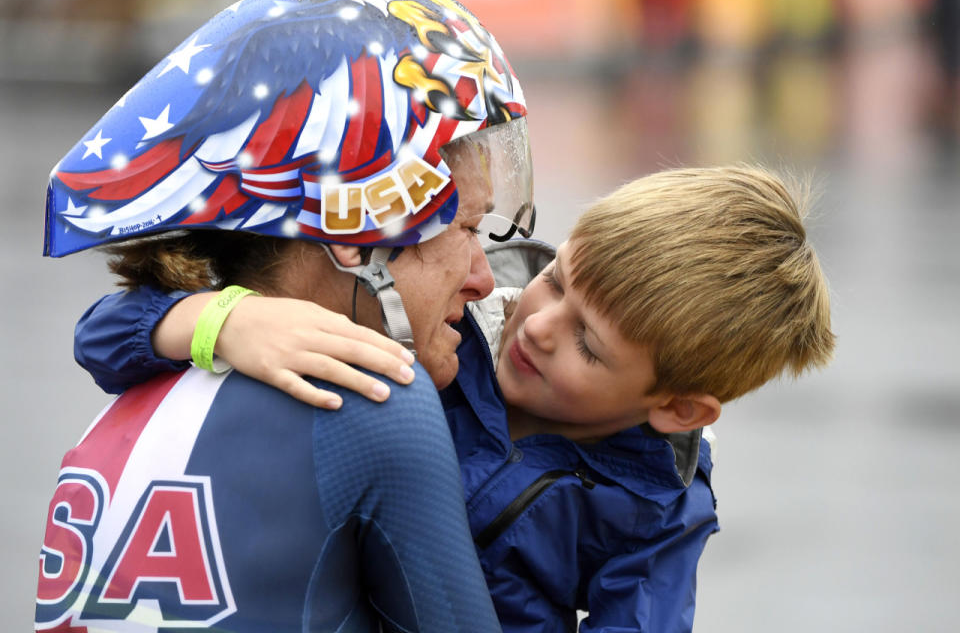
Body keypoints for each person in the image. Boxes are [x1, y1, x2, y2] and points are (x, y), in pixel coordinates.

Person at [70, 165, 836, 631]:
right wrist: (222, 319)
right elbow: (104, 335)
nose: (536, 325)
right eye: (557, 280)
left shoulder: (658, 509)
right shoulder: (442, 320)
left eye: (589, 345)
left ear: (677, 410)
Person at [35, 0, 535, 631]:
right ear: (357, 233)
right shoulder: (374, 397)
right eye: (465, 228)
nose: (483, 278)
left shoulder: (142, 379)